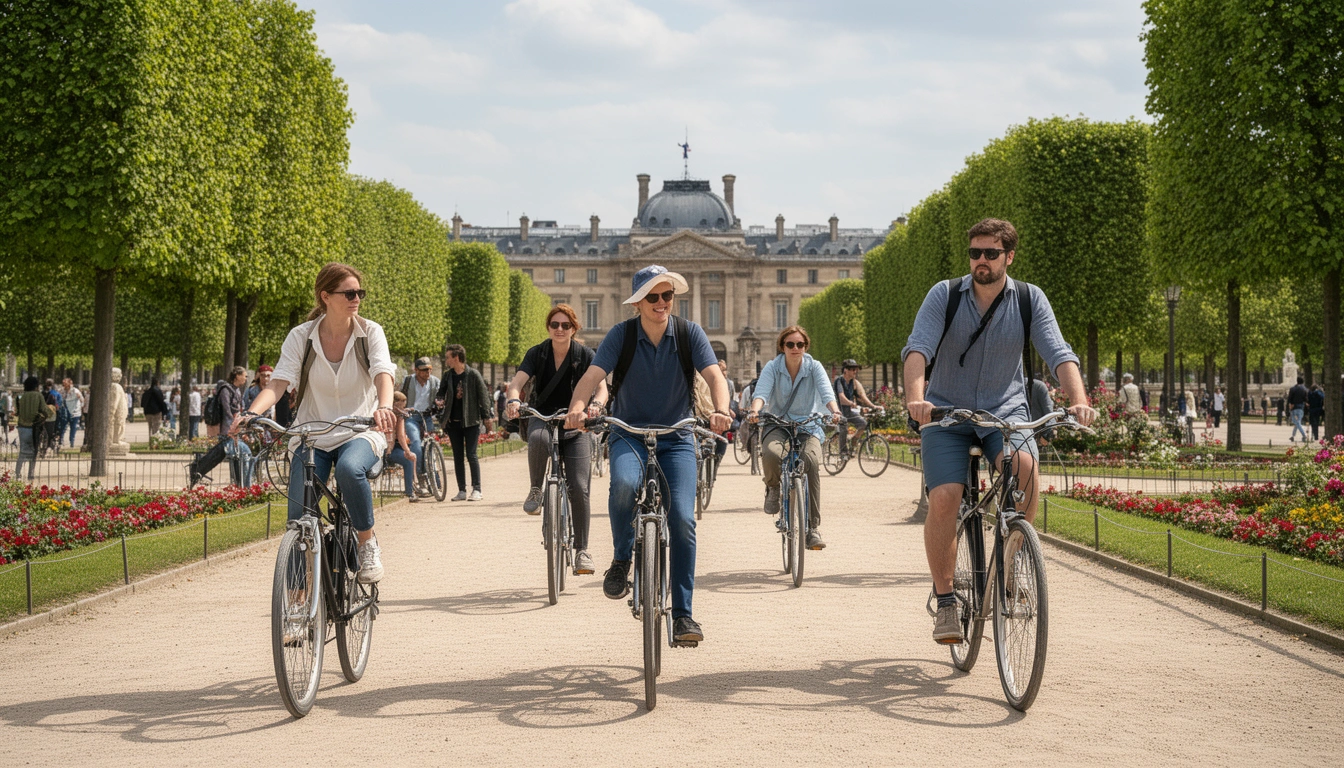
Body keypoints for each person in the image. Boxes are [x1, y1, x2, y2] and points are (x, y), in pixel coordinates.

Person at [902, 218, 1096, 645]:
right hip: (947, 414)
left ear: (1009, 256)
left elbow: (1059, 353)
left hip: (1005, 412)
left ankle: (1008, 564)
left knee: (1025, 466)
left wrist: (1078, 400)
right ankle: (947, 600)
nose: (981, 261)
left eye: (991, 253)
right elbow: (918, 349)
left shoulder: (1029, 299)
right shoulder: (945, 295)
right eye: (975, 253)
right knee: (946, 498)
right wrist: (917, 399)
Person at [564, 264, 732, 645]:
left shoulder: (690, 333)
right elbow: (590, 379)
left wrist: (721, 409)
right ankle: (623, 557)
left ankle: (684, 615)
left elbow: (714, 377)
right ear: (638, 302)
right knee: (623, 484)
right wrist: (577, 406)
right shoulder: (621, 336)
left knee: (684, 522)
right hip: (629, 433)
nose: (661, 303)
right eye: (653, 297)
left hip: (677, 435)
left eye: (667, 295)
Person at [236, 262, 397, 584]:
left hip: (359, 430)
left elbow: (383, 373)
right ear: (325, 296)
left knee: (351, 469)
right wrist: (252, 413)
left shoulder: (370, 332)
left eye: (359, 293)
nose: (357, 299)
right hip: (311, 434)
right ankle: (297, 601)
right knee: (299, 519)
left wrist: (384, 406)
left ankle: (367, 544)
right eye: (349, 293)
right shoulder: (302, 336)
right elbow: (278, 383)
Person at [505, 303, 607, 576]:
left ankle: (582, 550)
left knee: (579, 487)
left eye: (565, 325)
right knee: (537, 438)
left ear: (574, 328)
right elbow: (517, 382)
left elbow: (601, 387)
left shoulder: (585, 354)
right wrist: (514, 399)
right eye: (555, 325)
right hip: (544, 414)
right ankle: (536, 490)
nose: (559, 330)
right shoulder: (537, 353)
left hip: (575, 419)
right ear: (549, 328)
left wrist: (595, 405)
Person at [749, 325, 842, 550]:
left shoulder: (814, 367)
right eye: (790, 344)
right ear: (782, 346)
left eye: (800, 344)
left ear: (805, 346)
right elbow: (761, 392)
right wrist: (754, 410)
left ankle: (813, 528)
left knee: (811, 461)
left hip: (807, 424)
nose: (795, 348)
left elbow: (826, 392)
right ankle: (773, 488)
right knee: (771, 454)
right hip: (777, 422)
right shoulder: (773, 367)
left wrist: (835, 410)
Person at [435, 344, 492, 501]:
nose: (446, 360)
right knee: (457, 456)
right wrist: (439, 400)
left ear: (456, 358)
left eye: (448, 357)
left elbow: (484, 397)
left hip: (471, 421)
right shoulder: (447, 376)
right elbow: (440, 393)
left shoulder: (473, 375)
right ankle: (461, 490)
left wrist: (486, 417)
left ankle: (477, 489)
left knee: (471, 455)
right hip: (453, 422)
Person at [189, 367, 252, 486]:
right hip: (227, 429)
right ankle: (241, 484)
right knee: (235, 453)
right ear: (237, 376)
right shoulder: (225, 389)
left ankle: (197, 469)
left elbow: (238, 408)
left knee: (224, 454)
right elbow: (226, 409)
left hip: (234, 428)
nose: (246, 378)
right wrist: (232, 427)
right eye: (244, 375)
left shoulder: (237, 390)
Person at [398, 357, 440, 498]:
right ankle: (420, 477)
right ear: (416, 370)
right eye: (423, 370)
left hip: (427, 416)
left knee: (432, 445)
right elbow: (399, 396)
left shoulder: (435, 382)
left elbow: (439, 397)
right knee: (416, 443)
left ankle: (435, 480)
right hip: (411, 416)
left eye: (429, 369)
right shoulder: (408, 381)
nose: (427, 372)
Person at [385, 391, 424, 503]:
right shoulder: (399, 416)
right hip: (390, 450)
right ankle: (410, 491)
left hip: (383, 447)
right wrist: (407, 451)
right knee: (408, 460)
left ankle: (413, 485)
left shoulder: (387, 412)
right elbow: (401, 436)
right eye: (401, 404)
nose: (403, 407)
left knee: (410, 457)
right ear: (396, 403)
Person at [832, 359, 877, 454]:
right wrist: (851, 403)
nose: (855, 371)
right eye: (853, 369)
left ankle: (853, 440)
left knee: (863, 423)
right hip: (838, 412)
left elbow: (862, 396)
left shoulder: (854, 382)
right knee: (843, 427)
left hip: (848, 412)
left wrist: (873, 406)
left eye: (856, 369)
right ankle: (843, 452)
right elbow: (841, 397)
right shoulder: (839, 381)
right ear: (845, 370)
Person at [15, 376, 52, 480]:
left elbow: (17, 411)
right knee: (33, 451)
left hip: (21, 427)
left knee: (22, 451)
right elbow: (44, 409)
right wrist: (51, 413)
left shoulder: (20, 396)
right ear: (36, 386)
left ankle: (17, 473)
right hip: (33, 427)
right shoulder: (38, 395)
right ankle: (30, 474)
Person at [1287, 377, 1309, 443]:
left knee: (1296, 422)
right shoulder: (1305, 389)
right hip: (1301, 407)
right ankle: (1293, 436)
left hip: (1294, 407)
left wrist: (1290, 404)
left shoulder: (1293, 389)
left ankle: (1304, 435)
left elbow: (1290, 398)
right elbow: (1306, 398)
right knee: (1298, 422)